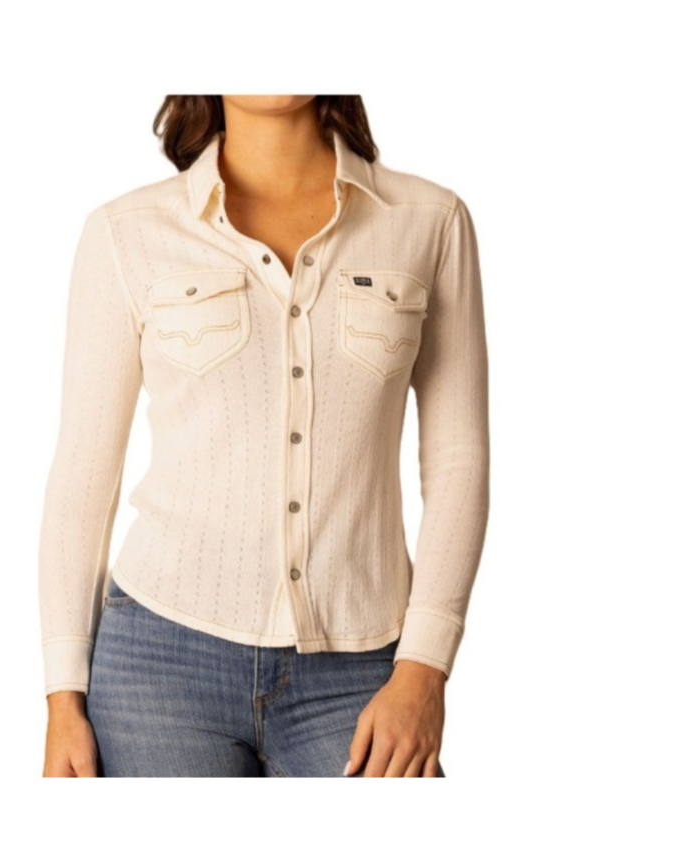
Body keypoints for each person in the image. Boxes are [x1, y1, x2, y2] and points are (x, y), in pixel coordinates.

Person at [38, 95, 490, 777]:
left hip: (364, 667)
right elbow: (82, 478)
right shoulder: (126, 233)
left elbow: (459, 462)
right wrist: (62, 699)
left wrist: (425, 668)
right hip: (159, 662)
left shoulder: (429, 221)